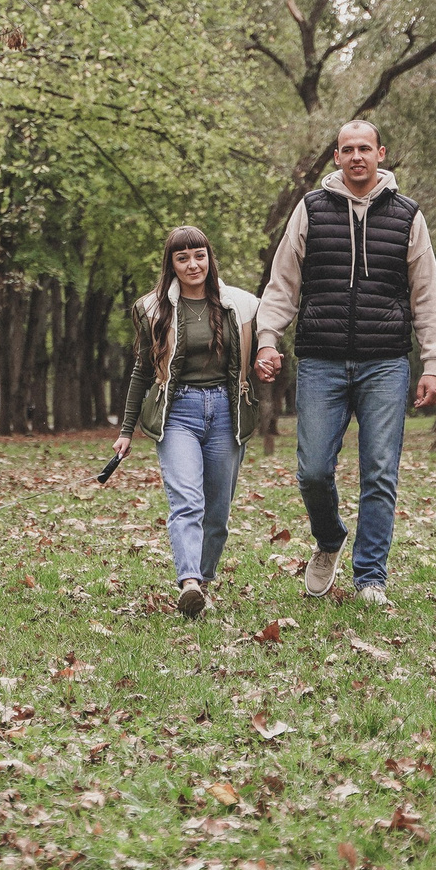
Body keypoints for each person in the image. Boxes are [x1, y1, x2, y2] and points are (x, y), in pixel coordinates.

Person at [254, 119, 436, 606]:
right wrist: (266, 338)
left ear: (381, 153)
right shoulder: (311, 211)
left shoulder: (407, 216)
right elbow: (282, 284)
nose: (356, 156)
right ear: (336, 158)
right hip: (320, 360)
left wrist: (434, 363)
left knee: (380, 471)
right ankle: (330, 539)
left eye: (365, 147)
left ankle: (370, 578)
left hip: (385, 363)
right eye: (347, 149)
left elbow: (427, 296)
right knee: (314, 471)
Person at [114, 226, 261, 620]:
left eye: (199, 255)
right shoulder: (152, 309)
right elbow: (141, 372)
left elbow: (262, 353)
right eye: (182, 258)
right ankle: (189, 581)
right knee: (187, 502)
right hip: (178, 413)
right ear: (171, 265)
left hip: (226, 413)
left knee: (217, 513)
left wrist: (267, 359)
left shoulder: (242, 306)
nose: (192, 264)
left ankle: (203, 583)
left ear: (210, 258)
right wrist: (126, 431)